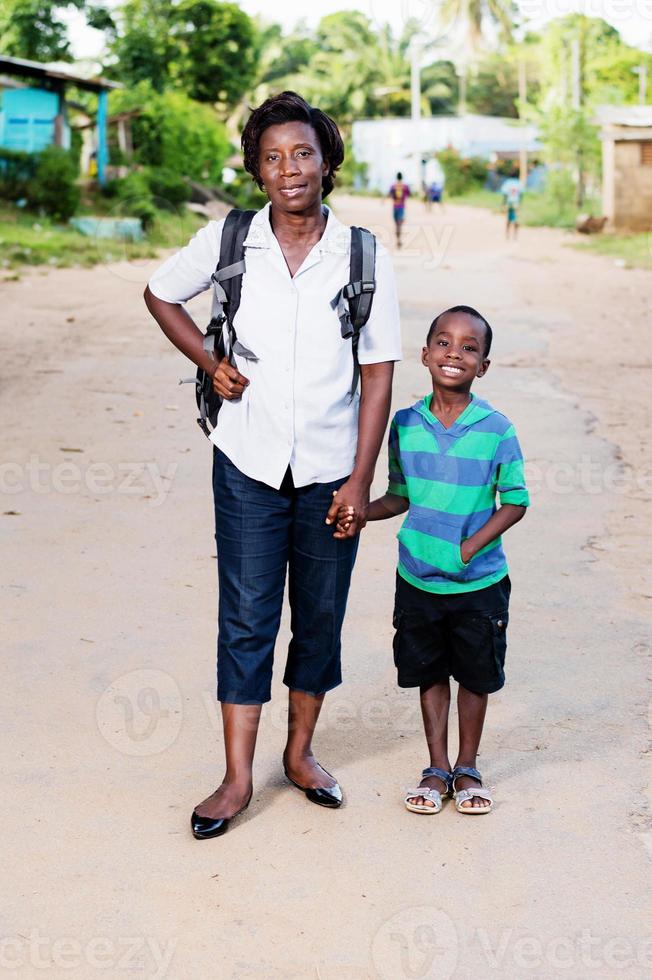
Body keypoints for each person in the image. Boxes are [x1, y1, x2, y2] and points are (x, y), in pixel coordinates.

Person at [144, 91, 401, 839]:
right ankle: (233, 780)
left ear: (327, 162)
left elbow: (379, 373)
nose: (289, 169)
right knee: (247, 618)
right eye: (273, 157)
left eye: (303, 153)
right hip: (247, 461)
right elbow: (162, 295)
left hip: (330, 468)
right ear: (256, 170)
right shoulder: (229, 240)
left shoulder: (360, 253)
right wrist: (209, 358)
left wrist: (360, 479)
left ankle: (299, 755)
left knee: (318, 619)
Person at [336, 306, 528, 814]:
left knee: (475, 675)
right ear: (424, 354)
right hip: (417, 578)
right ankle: (436, 768)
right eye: (444, 342)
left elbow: (516, 500)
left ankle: (468, 768)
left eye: (470, 348)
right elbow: (399, 495)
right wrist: (363, 513)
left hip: (479, 582)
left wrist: (469, 546)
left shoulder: (496, 428)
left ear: (483, 365)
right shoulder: (404, 425)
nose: (454, 354)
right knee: (429, 672)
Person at [388, 172, 410, 248]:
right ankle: (399, 240)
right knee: (399, 225)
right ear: (402, 177)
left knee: (396, 225)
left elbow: (389, 195)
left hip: (395, 207)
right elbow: (408, 195)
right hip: (401, 207)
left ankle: (398, 240)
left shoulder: (393, 186)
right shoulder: (405, 186)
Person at [500, 174, 523, 240]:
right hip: (516, 202)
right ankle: (515, 235)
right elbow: (521, 194)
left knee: (509, 219)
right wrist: (520, 203)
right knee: (516, 219)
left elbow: (505, 194)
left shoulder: (508, 182)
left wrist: (503, 203)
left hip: (510, 202)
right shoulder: (519, 183)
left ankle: (507, 235)